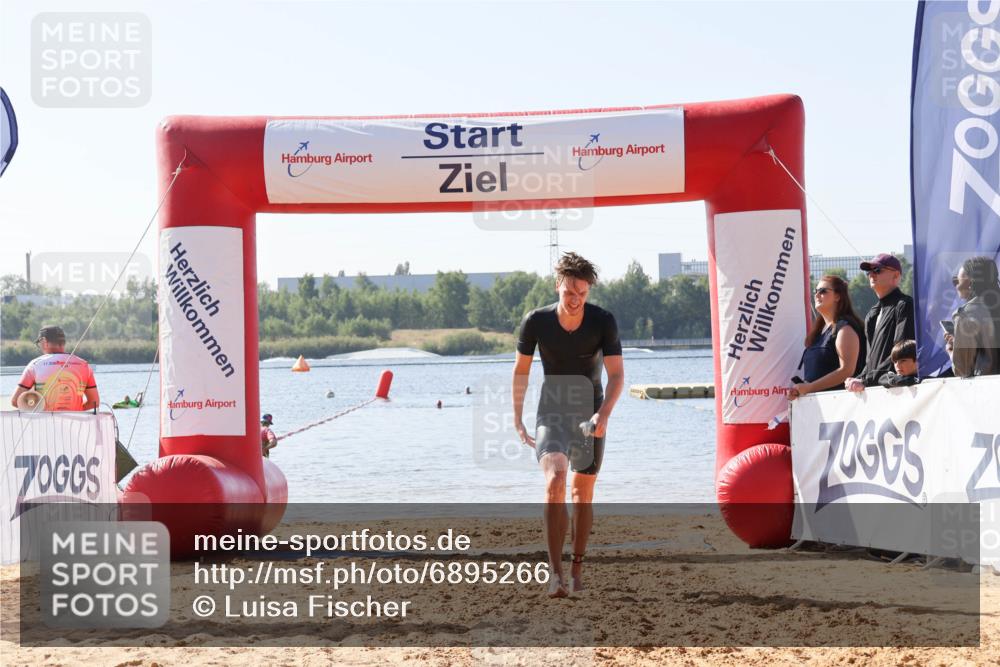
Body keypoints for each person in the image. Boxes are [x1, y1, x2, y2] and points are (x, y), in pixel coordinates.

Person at [512, 252, 624, 598]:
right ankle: (555, 573)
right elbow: (521, 372)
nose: (575, 300)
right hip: (552, 412)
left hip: (590, 412)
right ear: (558, 286)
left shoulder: (602, 321)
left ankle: (576, 570)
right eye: (569, 292)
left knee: (582, 494)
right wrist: (517, 417)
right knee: (556, 477)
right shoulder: (536, 321)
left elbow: (617, 374)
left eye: (582, 294)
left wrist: (603, 414)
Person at [845, 253, 915, 392]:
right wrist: (859, 378)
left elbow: (901, 353)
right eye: (869, 271)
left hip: (900, 392)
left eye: (877, 270)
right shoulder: (872, 314)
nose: (871, 274)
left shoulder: (905, 304)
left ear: (895, 276)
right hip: (877, 391)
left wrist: (866, 380)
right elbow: (871, 360)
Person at [788, 276, 865, 399]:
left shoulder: (845, 329)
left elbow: (846, 370)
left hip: (841, 407)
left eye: (823, 291)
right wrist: (801, 389)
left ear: (837, 296)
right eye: (815, 291)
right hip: (817, 408)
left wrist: (810, 387)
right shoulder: (819, 332)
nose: (817, 295)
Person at [10, 326, 98, 411]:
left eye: (38, 344)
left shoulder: (35, 365)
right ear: (63, 342)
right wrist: (74, 411)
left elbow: (15, 401)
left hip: (46, 424)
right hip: (75, 423)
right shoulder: (84, 365)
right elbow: (94, 402)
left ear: (44, 341)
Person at [944, 256, 1000, 378]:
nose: (956, 286)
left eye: (956, 281)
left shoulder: (966, 314)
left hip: (988, 390)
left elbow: (963, 370)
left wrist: (951, 351)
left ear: (970, 282)